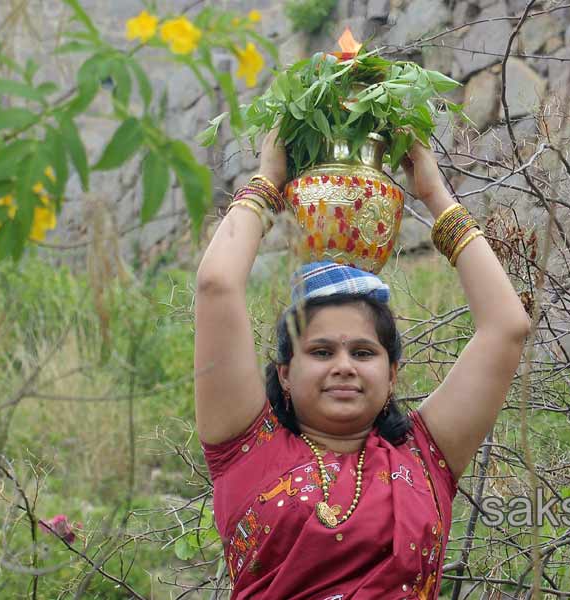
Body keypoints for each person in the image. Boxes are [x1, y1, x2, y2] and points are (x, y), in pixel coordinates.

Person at [194, 129, 531, 599]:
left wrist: (435, 195)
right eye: (321, 351)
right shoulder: (247, 450)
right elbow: (216, 286)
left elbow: (507, 327)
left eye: (364, 352)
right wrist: (267, 181)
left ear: (392, 375)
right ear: (286, 373)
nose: (344, 366)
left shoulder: (424, 457)